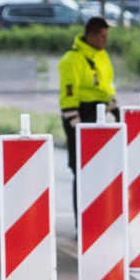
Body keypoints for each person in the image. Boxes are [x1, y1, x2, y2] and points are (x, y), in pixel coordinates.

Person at [57, 16, 116, 181]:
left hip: (100, 114)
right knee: (81, 169)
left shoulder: (101, 56)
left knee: (100, 167)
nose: (105, 41)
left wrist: (116, 110)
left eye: (106, 36)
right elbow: (69, 95)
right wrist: (76, 126)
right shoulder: (72, 60)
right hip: (80, 114)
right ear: (90, 35)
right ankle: (81, 206)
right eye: (102, 36)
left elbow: (106, 85)